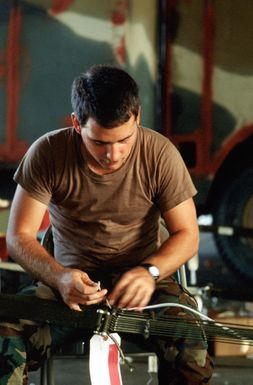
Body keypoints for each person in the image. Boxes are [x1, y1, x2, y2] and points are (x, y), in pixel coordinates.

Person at [1, 64, 213, 384]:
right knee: (4, 338)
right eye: (99, 142)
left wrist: (150, 272)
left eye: (124, 140)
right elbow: (19, 237)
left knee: (191, 343)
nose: (113, 155)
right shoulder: (47, 154)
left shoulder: (160, 155)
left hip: (144, 284)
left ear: (137, 117)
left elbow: (187, 234)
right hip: (68, 289)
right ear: (76, 123)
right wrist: (59, 278)